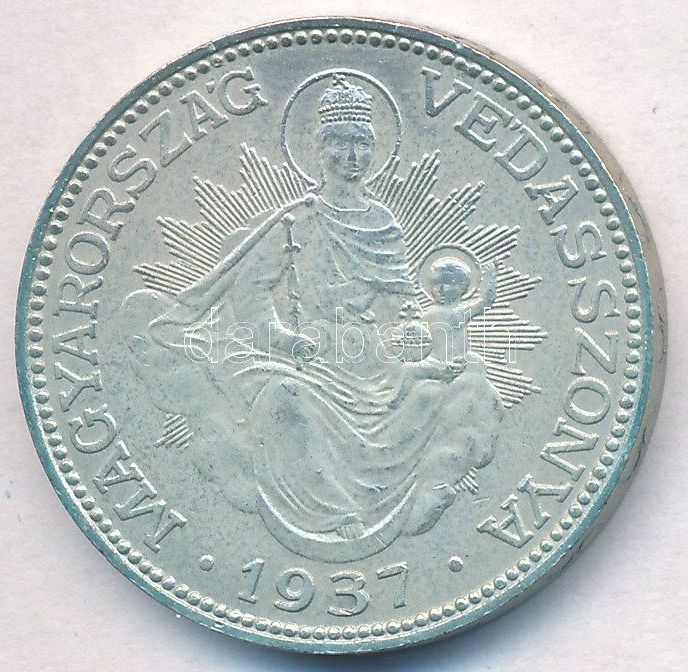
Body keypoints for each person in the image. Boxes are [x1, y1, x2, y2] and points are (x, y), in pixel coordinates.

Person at [121, 74, 504, 561]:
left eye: (362, 144)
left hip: (375, 361)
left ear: (374, 151)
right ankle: (332, 513)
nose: (352, 156)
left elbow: (402, 303)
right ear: (318, 149)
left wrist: (413, 334)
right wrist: (284, 340)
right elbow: (251, 292)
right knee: (285, 400)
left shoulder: (383, 223)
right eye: (340, 143)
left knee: (452, 388)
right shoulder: (296, 222)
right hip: (310, 359)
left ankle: (408, 497)